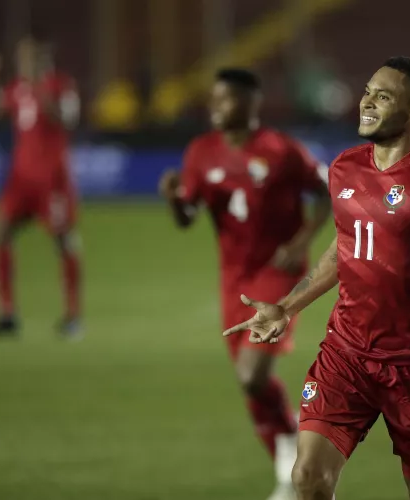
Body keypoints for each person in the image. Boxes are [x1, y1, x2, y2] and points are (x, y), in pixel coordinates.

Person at [224, 56, 410, 500]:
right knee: (308, 479)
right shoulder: (345, 168)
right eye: (369, 91)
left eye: (384, 96)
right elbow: (345, 248)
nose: (367, 102)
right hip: (346, 354)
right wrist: (287, 305)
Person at [159, 69, 331, 500]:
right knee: (248, 383)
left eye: (226, 99)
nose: (215, 107)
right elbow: (187, 217)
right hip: (233, 279)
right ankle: (288, 474)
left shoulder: (281, 150)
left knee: (252, 374)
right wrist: (172, 201)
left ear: (252, 104)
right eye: (213, 99)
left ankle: (293, 447)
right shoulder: (201, 152)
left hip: (278, 273)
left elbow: (326, 192)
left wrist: (302, 241)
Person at [0, 35, 82, 338]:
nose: (23, 62)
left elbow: (68, 119)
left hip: (52, 181)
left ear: (42, 57)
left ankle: (73, 316)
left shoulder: (60, 85)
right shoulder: (17, 88)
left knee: (64, 242)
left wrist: (42, 90)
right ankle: (7, 314)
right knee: (1, 233)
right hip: (20, 180)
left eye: (29, 56)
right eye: (21, 57)